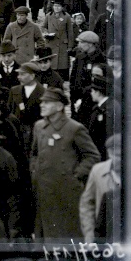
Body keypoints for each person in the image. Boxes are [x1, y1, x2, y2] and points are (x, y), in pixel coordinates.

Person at [30, 87, 101, 241]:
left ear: (60, 106)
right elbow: (34, 153)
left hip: (66, 191)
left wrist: (75, 175)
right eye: (42, 102)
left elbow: (93, 156)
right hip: (43, 189)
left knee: (67, 234)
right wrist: (35, 170)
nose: (42, 105)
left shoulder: (74, 128)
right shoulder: (39, 127)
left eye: (47, 103)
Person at [79, 134, 122, 243]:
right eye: (117, 155)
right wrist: (89, 234)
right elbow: (86, 203)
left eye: (123, 155)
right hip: (103, 233)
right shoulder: (97, 171)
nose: (120, 159)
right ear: (109, 153)